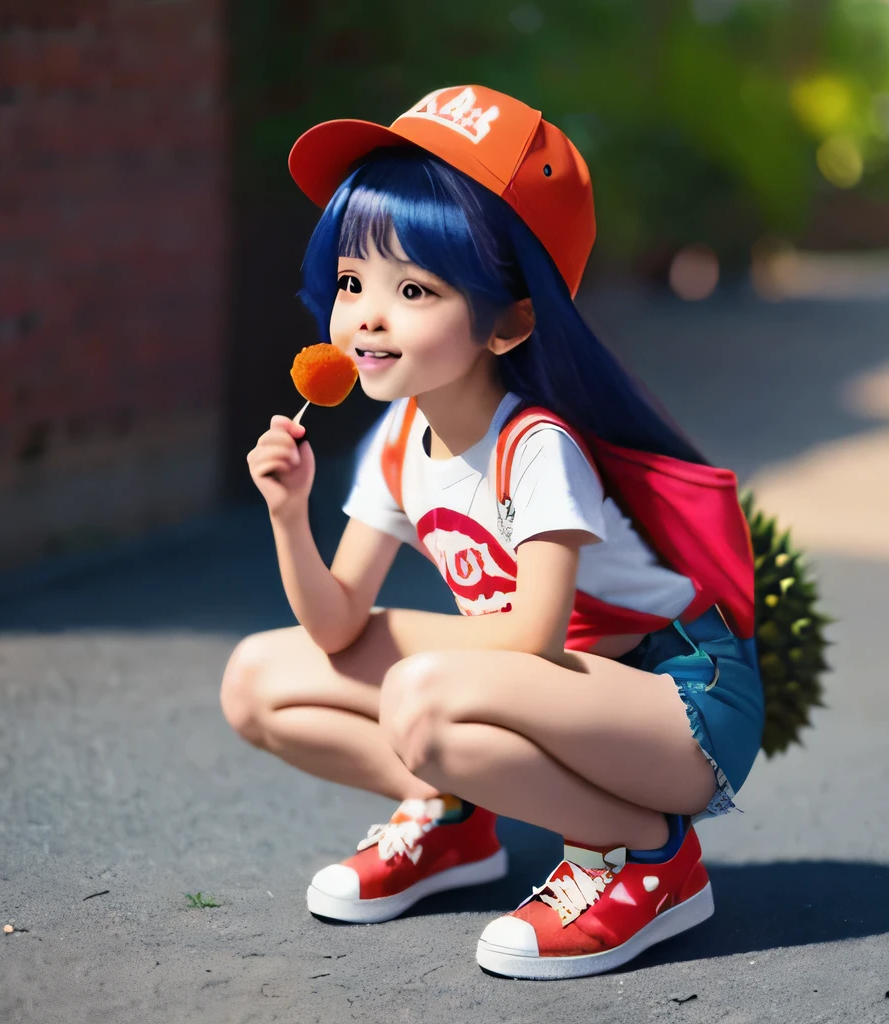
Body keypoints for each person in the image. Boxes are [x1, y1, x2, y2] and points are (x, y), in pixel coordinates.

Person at [220, 85, 765, 980]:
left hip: (678, 702)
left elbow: (533, 637)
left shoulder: (537, 446)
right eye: (353, 281)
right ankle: (450, 819)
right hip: (557, 689)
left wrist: (415, 671)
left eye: (414, 289)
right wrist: (289, 515)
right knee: (257, 679)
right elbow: (335, 626)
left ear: (511, 320)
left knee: (424, 698)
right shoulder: (398, 443)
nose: (366, 314)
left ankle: (645, 857)